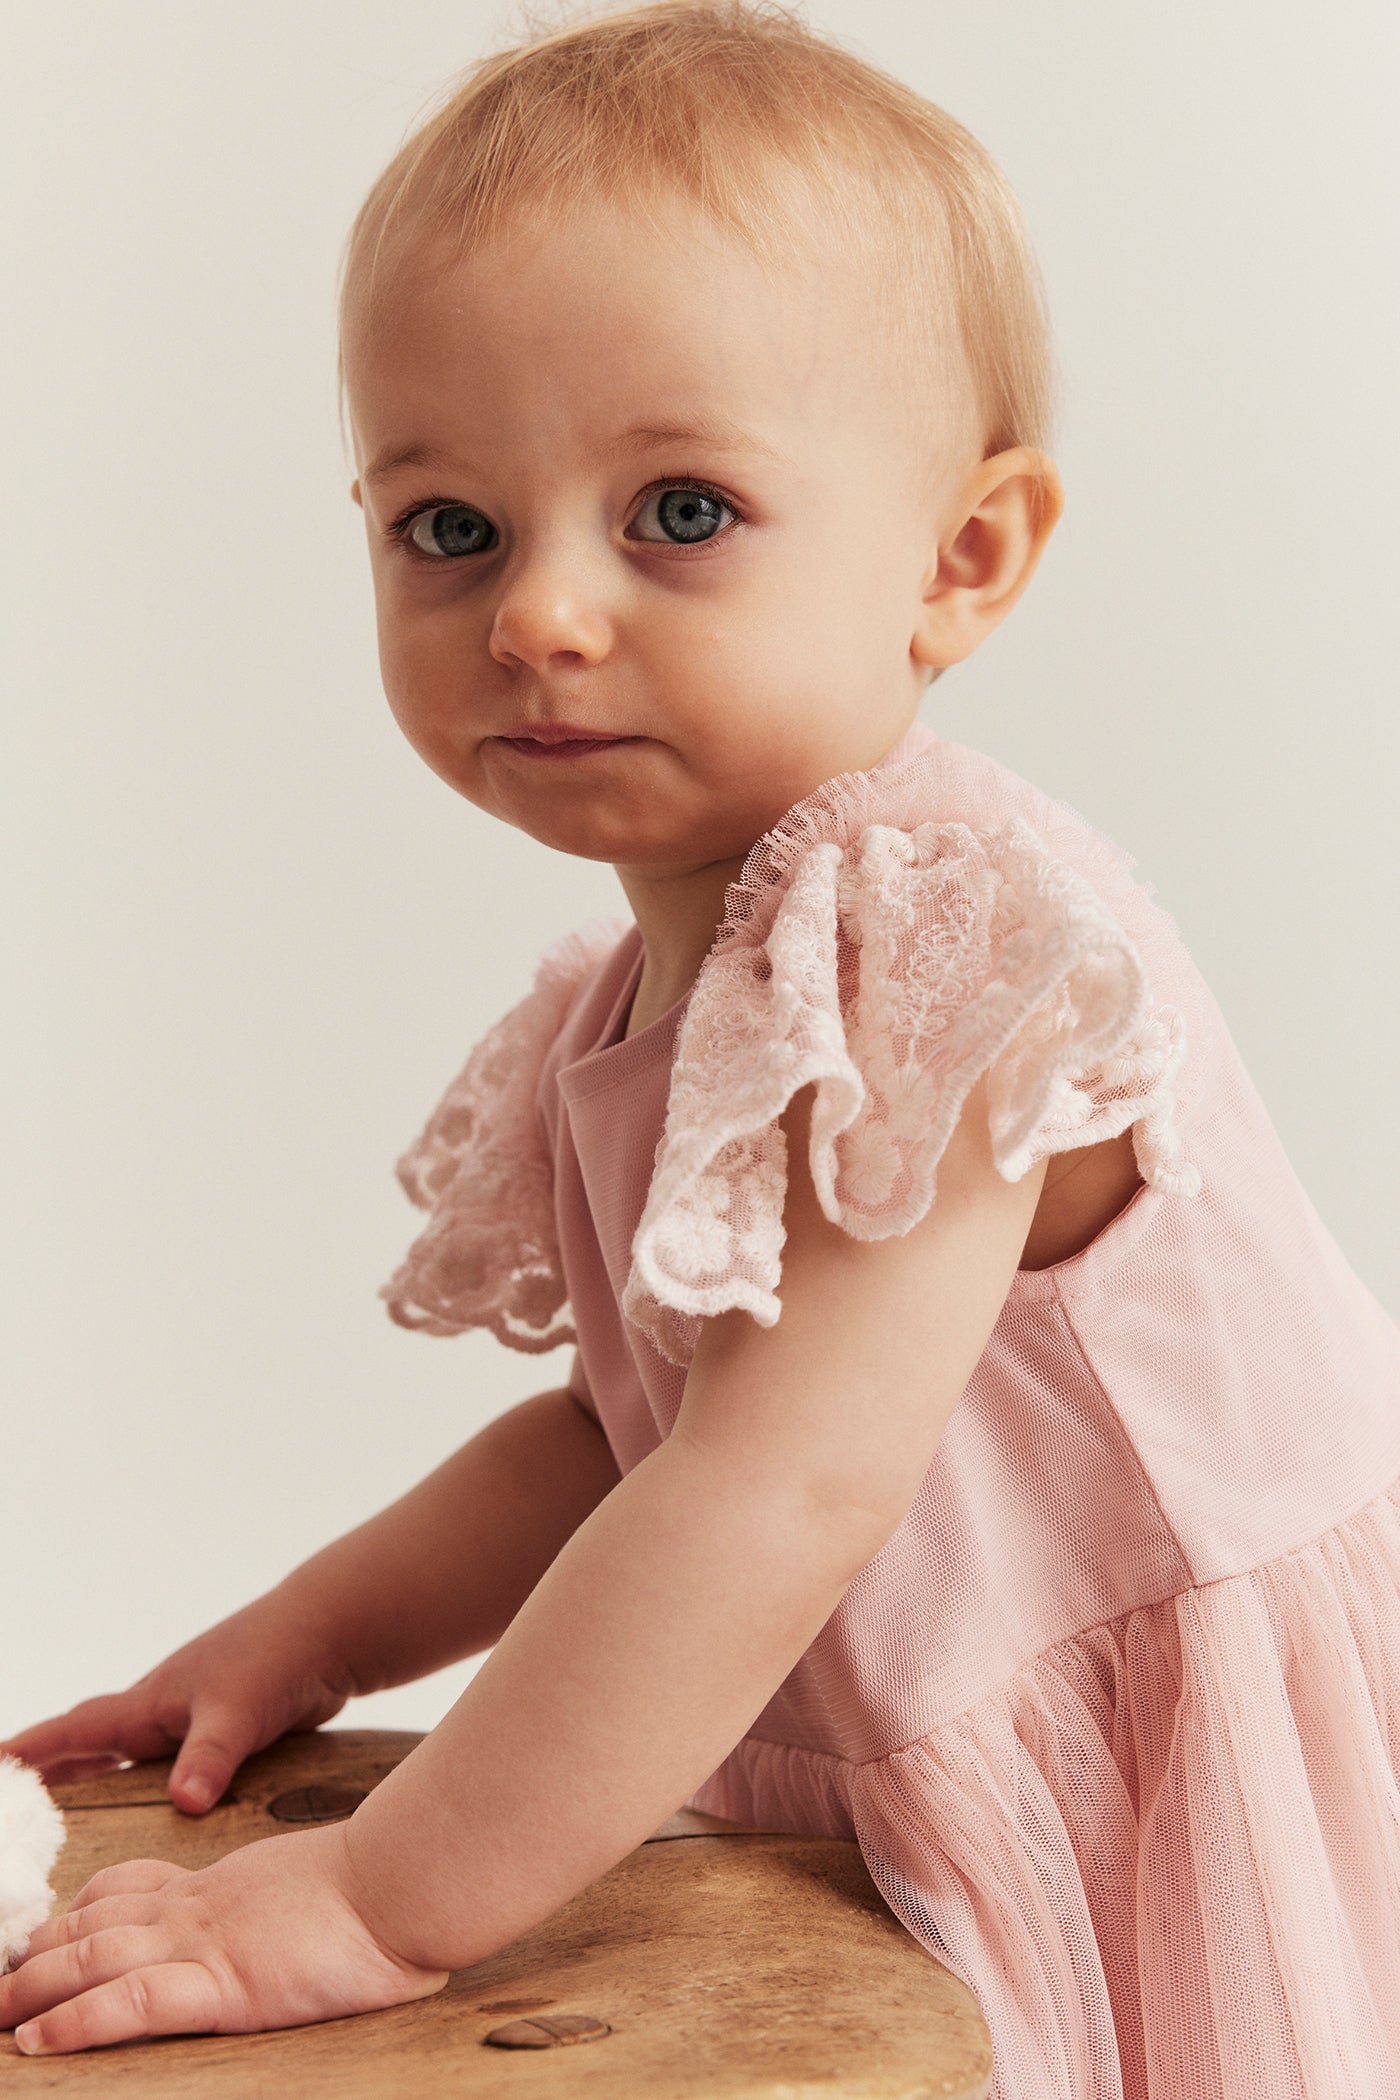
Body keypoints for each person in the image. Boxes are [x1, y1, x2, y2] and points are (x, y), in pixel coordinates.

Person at [4, 2, 1399, 2091]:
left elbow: (781, 1481)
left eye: (677, 511)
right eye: (450, 527)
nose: (539, 615)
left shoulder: (932, 934)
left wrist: (384, 1898)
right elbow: (619, 1441)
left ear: (961, 557)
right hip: (908, 1698)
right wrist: (303, 1636)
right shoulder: (640, 990)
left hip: (1149, 1749)